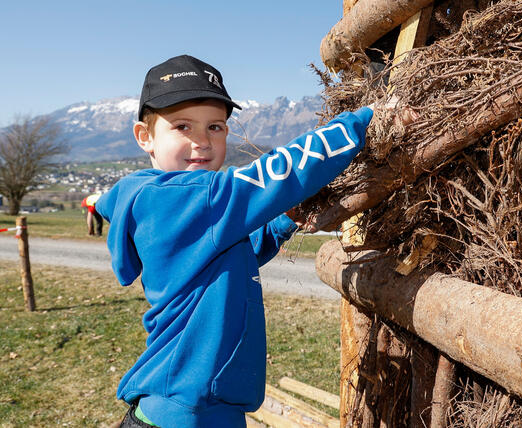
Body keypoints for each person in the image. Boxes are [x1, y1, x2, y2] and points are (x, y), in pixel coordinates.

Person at [95, 55, 373, 427]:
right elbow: (278, 173)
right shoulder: (168, 198)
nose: (202, 142)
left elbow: (234, 254)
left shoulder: (190, 209)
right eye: (182, 126)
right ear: (145, 137)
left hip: (204, 411)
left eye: (215, 127)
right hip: (183, 415)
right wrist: (363, 121)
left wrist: (285, 219)